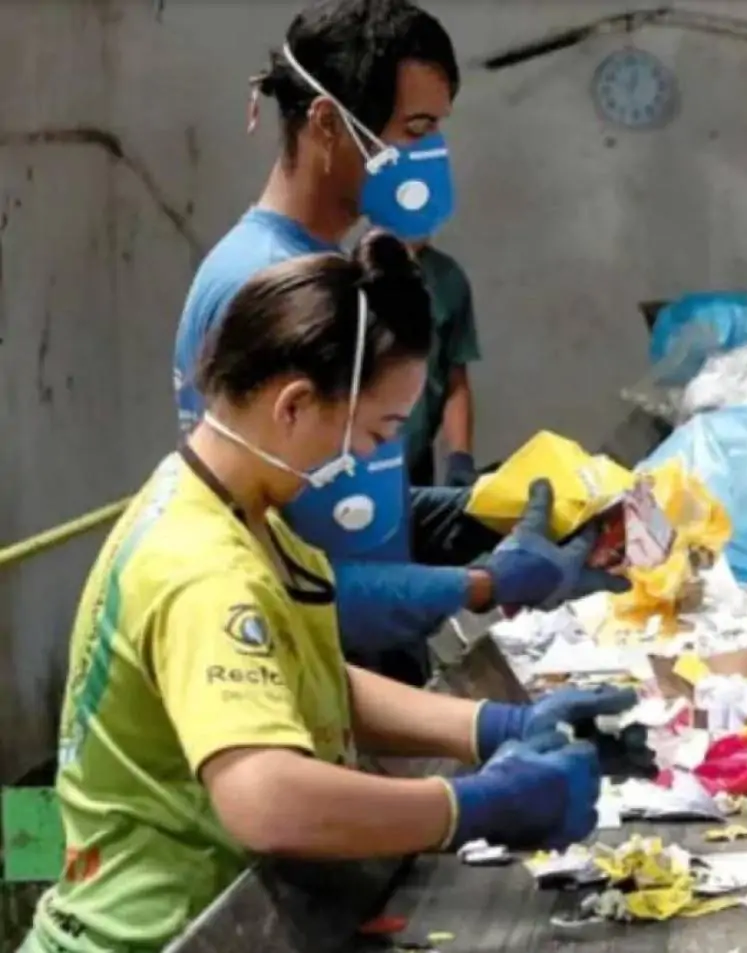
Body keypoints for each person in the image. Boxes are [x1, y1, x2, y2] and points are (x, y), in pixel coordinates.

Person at [23, 233, 635, 953]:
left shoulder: (236, 509)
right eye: (375, 430)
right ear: (294, 405)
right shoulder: (203, 567)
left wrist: (493, 727)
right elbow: (266, 798)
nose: (372, 456)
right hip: (150, 936)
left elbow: (301, 678)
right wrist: (470, 806)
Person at [170, 0, 618, 670]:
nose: (430, 156)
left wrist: (486, 510)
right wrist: (484, 583)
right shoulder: (271, 290)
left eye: (437, 130)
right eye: (414, 130)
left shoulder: (316, 269)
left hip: (362, 668)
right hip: (319, 687)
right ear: (327, 123)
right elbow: (290, 580)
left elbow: (346, 511)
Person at [403, 240, 481, 488]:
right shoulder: (348, 270)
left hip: (415, 462)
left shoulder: (446, 278)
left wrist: (461, 458)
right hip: (358, 462)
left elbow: (455, 378)